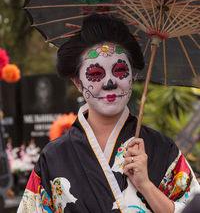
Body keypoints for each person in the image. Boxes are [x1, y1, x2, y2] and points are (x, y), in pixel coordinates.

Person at [17, 14, 200, 213]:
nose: (110, 83)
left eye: (120, 70)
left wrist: (145, 185)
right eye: (96, 74)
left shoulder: (162, 149)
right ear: (77, 83)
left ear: (133, 75)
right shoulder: (54, 158)